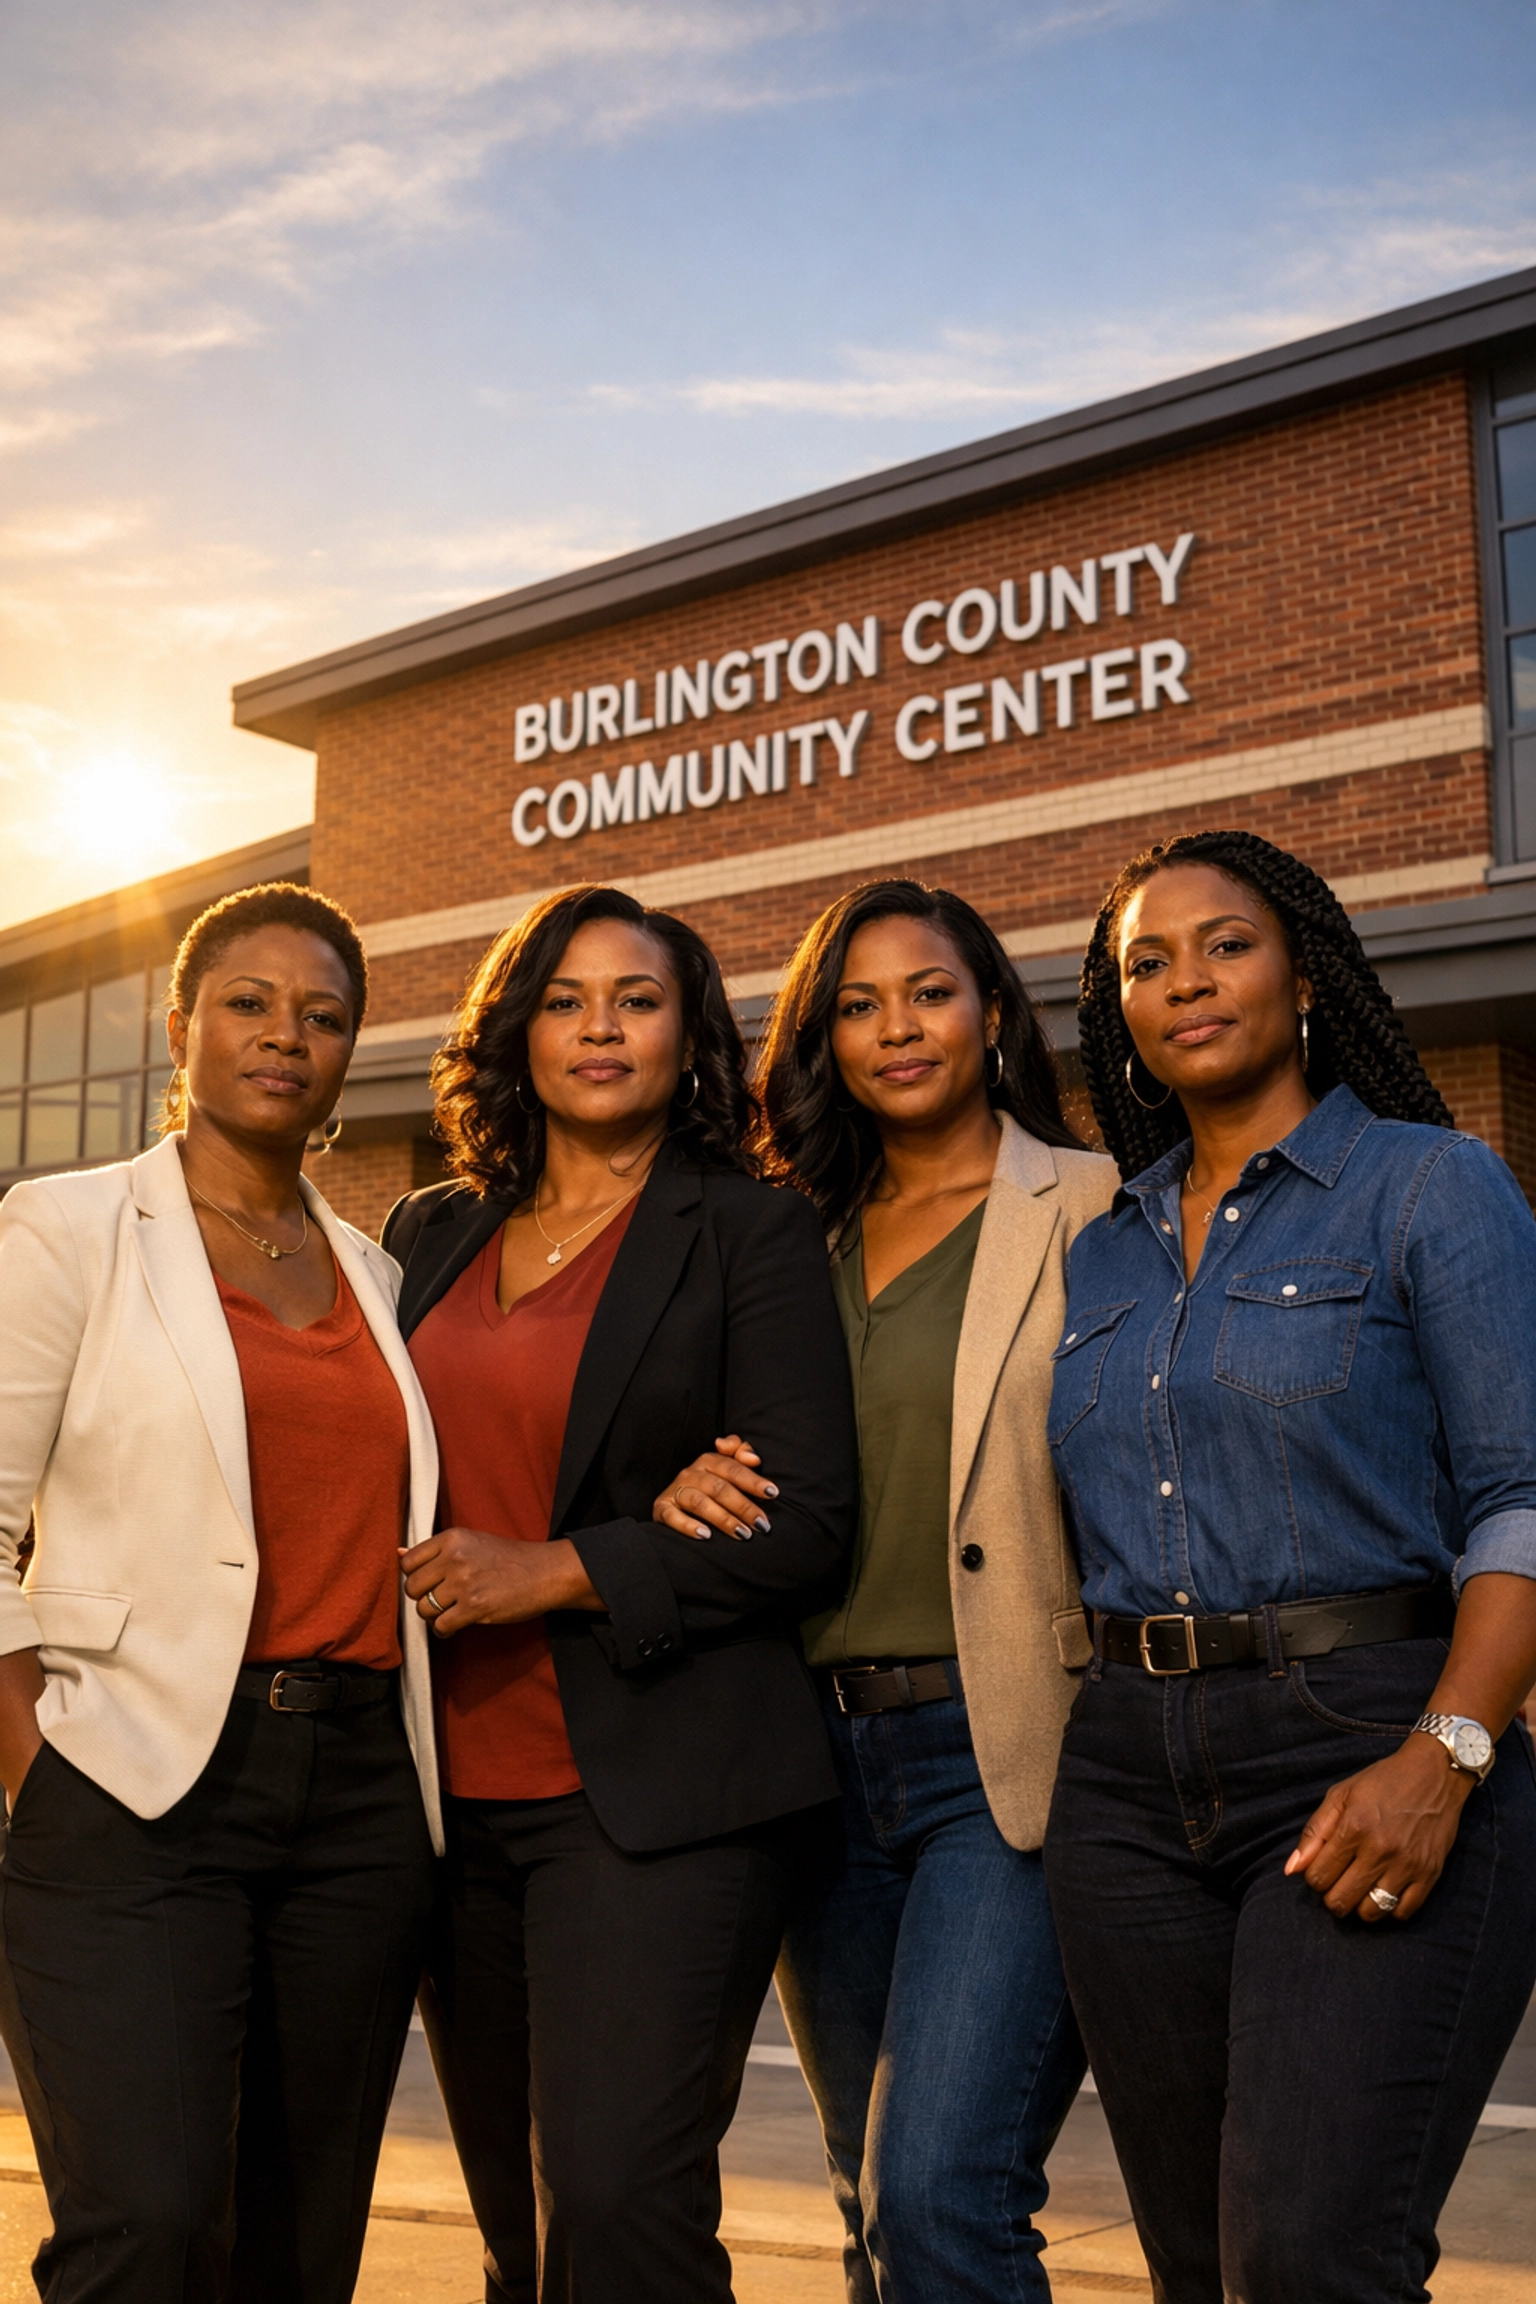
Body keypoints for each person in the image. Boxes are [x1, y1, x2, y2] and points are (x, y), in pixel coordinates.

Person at [1043, 828, 1536, 2304]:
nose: (1187, 981)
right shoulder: (1103, 1248)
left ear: (1306, 974)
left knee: (1311, 2257)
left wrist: (1446, 1754)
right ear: (1117, 1011)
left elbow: (1525, 1493)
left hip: (1368, 1732)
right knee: (1200, 2267)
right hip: (1127, 1781)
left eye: (1227, 944)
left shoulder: (1430, 1187)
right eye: (1147, 960)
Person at [380, 882, 857, 2304]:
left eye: (638, 1002)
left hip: (660, 1793)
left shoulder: (747, 1234)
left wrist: (567, 1566)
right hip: (441, 1794)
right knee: (521, 2238)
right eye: (568, 999)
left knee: (615, 2203)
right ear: (515, 1029)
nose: (601, 1029)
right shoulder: (425, 1230)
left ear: (688, 1036)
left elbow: (806, 1519)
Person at [661, 880, 1117, 2302]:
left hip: (1009, 1749)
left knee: (941, 2194)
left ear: (991, 1014)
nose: (894, 1028)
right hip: (809, 1759)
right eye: (854, 1006)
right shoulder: (784, 1233)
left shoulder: (1095, 1207)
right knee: (867, 2202)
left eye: (926, 991)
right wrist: (676, 1492)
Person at [0, 882, 442, 2304]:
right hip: (130, 1781)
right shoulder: (68, 1228)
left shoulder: (375, 1272)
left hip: (364, 1793)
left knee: (297, 2243)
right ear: (178, 1023)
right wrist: (30, 1765)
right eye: (249, 1003)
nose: (284, 1037)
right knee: (144, 2220)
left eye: (323, 1017)